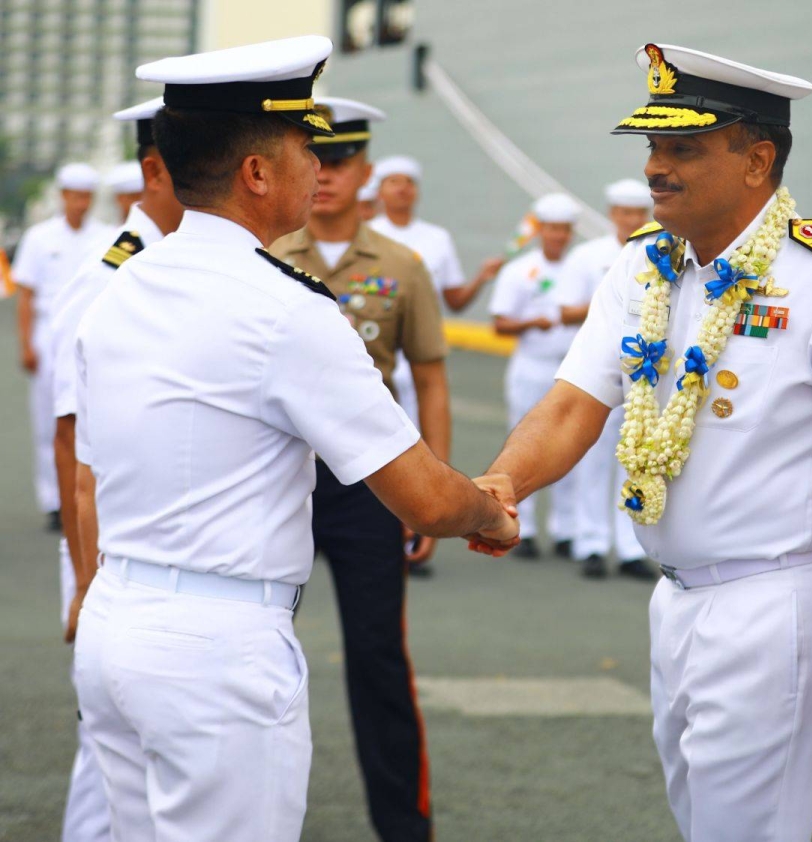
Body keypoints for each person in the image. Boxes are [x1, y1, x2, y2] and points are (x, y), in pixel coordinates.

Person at [70, 37, 518, 842]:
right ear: (257, 173)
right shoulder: (285, 309)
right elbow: (416, 491)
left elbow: (90, 469)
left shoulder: (125, 284)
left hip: (116, 626)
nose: (321, 165)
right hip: (215, 652)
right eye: (306, 146)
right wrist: (486, 511)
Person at [471, 44, 812, 840]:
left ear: (757, 161)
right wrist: (500, 486)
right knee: (703, 823)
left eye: (683, 148)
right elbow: (573, 406)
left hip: (776, 604)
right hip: (675, 599)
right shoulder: (642, 270)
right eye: (652, 146)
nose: (655, 167)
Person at [269, 95, 447, 841]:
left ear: (365, 170)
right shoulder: (269, 256)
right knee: (254, 650)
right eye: (321, 159)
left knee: (377, 655)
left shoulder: (403, 265)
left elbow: (430, 375)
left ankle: (403, 828)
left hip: (370, 483)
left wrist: (432, 487)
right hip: (278, 476)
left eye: (344, 161)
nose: (331, 175)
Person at [46, 96, 183, 842]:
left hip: (150, 556)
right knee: (108, 770)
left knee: (134, 766)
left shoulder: (171, 265)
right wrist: (86, 583)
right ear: (155, 171)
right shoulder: (113, 278)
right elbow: (74, 451)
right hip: (110, 562)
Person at [554, 178, 655, 580]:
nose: (631, 220)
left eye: (638, 213)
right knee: (592, 460)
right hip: (599, 368)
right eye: (624, 212)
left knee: (637, 460)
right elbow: (565, 311)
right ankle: (591, 542)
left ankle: (631, 548)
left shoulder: (660, 252)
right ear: (612, 214)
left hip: (645, 374)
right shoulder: (587, 256)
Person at [490, 192, 588, 561]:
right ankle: (523, 526)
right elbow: (499, 323)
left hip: (572, 367)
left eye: (564, 230)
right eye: (551, 229)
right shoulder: (520, 270)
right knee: (523, 443)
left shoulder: (581, 267)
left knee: (571, 443)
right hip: (531, 364)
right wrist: (535, 322)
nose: (558, 236)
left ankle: (566, 529)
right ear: (540, 230)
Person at [12, 161, 110, 530]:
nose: (81, 204)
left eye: (87, 197)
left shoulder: (106, 235)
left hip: (89, 334)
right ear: (63, 196)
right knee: (47, 422)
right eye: (75, 196)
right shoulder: (39, 237)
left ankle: (81, 493)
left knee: (86, 418)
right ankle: (53, 499)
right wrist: (26, 344)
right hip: (46, 332)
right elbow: (26, 294)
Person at [370, 155, 504, 419]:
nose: (403, 188)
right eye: (393, 181)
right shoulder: (365, 235)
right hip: (377, 349)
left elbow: (454, 301)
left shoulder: (436, 238)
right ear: (379, 192)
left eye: (409, 182)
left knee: (422, 432)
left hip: (421, 349)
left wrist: (481, 278)